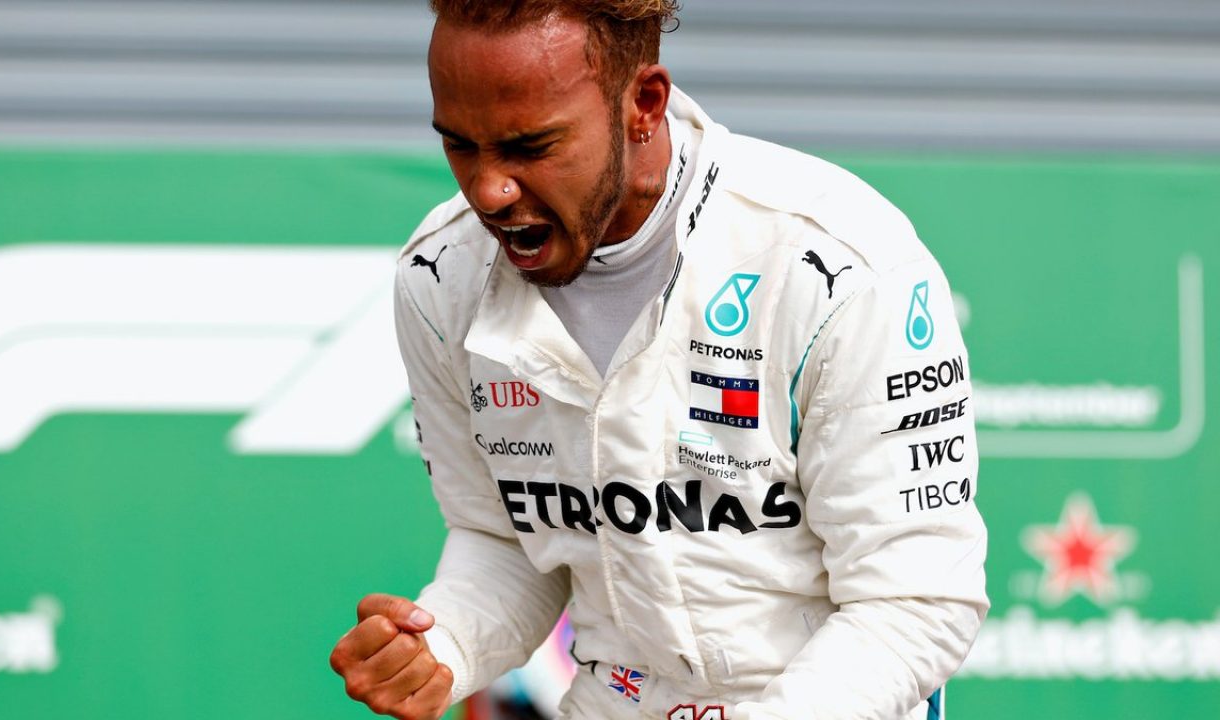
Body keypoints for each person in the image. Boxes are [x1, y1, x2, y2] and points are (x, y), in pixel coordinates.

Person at [329, 2, 988, 719]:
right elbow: (506, 542)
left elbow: (914, 600)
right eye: (460, 145)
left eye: (531, 146)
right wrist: (443, 646)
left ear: (643, 104)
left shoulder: (836, 261)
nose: (490, 190)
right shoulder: (440, 275)